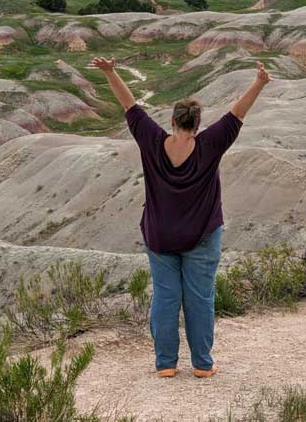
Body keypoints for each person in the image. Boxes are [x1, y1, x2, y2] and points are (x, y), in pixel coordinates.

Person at [90, 56, 271, 378]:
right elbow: (237, 114)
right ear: (197, 125)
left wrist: (110, 71)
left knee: (165, 297)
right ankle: (202, 365)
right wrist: (259, 82)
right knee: (200, 298)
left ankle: (166, 365)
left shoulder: (151, 140)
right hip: (202, 235)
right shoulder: (210, 143)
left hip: (160, 236)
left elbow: (130, 105)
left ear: (172, 122)